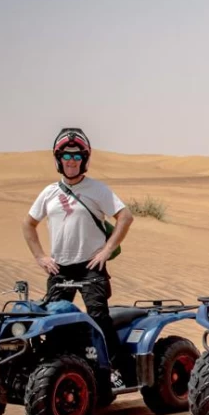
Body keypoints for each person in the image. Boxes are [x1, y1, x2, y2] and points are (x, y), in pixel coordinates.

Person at [22, 128, 134, 367]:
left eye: (76, 157)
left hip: (90, 268)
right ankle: (61, 370)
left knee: (98, 319)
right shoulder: (49, 192)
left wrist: (106, 250)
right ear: (58, 159)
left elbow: (125, 217)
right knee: (53, 322)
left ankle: (114, 369)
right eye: (66, 156)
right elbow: (28, 224)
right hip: (59, 269)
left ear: (84, 160)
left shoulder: (98, 189)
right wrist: (40, 257)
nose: (71, 161)